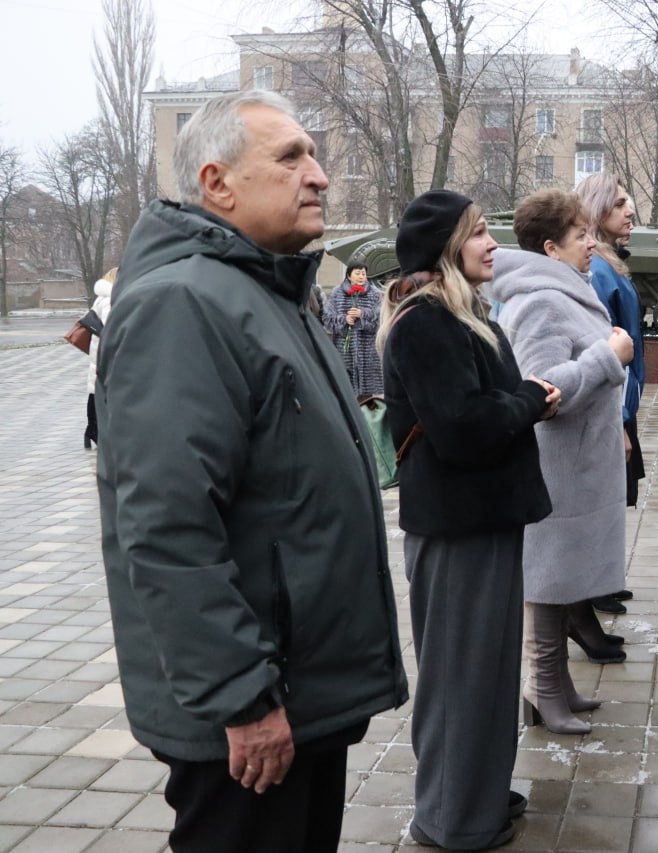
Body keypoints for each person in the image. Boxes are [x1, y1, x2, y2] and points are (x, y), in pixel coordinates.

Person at [95, 90, 408, 853]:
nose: (321, 176)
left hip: (297, 693)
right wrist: (242, 698)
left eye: (315, 154)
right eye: (291, 156)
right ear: (217, 183)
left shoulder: (266, 292)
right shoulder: (184, 303)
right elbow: (169, 528)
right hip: (255, 714)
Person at [378, 189, 560, 850]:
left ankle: (477, 791)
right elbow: (462, 426)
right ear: (447, 246)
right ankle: (451, 818)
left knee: (485, 672)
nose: (493, 244)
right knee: (460, 676)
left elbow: (478, 406)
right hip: (456, 527)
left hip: (481, 518)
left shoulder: (457, 314)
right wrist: (531, 400)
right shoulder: (427, 321)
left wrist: (518, 399)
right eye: (481, 232)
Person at [491, 188, 634, 729]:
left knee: (559, 579)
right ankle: (542, 687)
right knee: (547, 580)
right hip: (557, 467)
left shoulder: (563, 290)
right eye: (581, 235)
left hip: (575, 466)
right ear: (551, 248)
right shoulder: (540, 301)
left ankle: (555, 686)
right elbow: (541, 394)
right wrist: (608, 355)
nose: (592, 242)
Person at [576, 171, 641, 617]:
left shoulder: (607, 262)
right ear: (598, 209)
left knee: (615, 493)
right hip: (611, 403)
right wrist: (618, 421)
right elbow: (601, 345)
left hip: (622, 399)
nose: (630, 210)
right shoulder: (598, 269)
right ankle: (592, 586)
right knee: (604, 494)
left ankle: (601, 580)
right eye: (619, 204)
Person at [322, 262, 383, 398]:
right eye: (357, 273)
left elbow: (381, 318)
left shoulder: (375, 294)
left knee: (368, 396)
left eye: (364, 273)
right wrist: (344, 320)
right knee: (344, 390)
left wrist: (362, 314)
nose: (361, 276)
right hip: (344, 349)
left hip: (368, 349)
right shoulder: (337, 293)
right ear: (349, 275)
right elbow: (327, 318)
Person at [84, 267, 115, 450]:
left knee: (94, 390)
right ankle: (95, 431)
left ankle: (91, 431)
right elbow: (111, 327)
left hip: (97, 350)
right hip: (104, 352)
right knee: (100, 392)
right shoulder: (110, 300)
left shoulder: (100, 298)